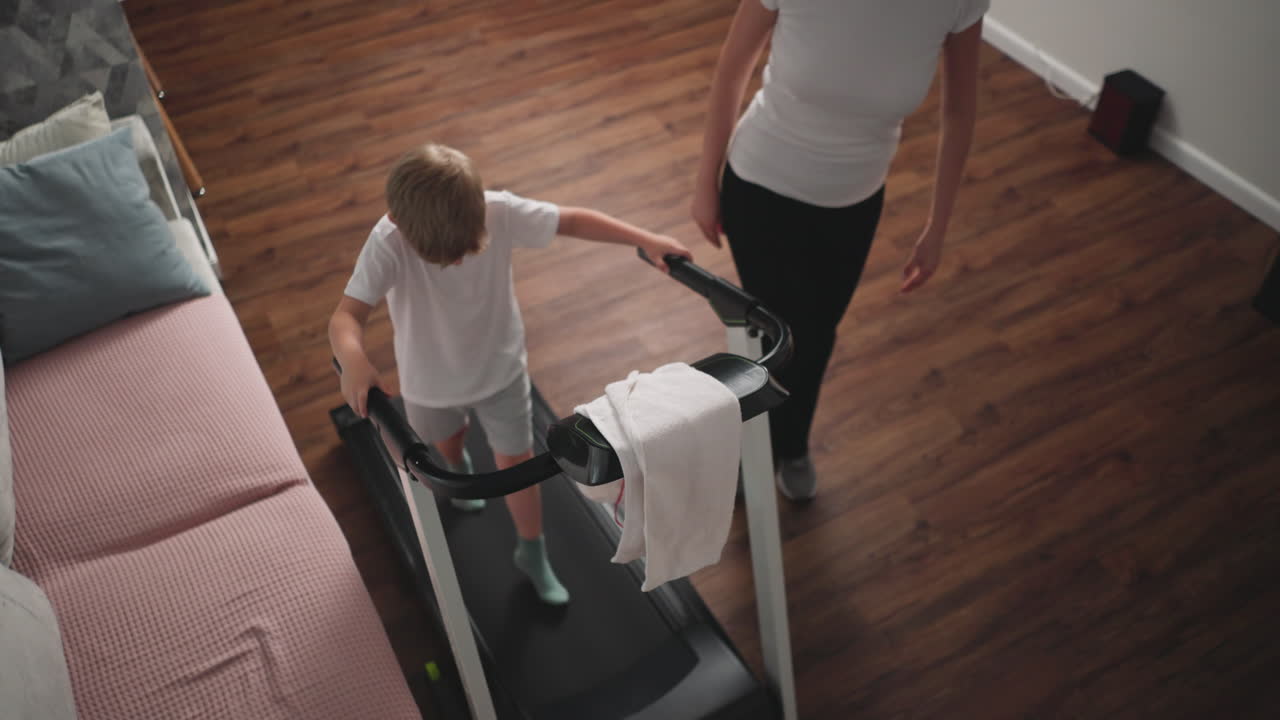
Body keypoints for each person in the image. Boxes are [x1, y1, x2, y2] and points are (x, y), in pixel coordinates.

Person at [330, 143, 691, 605]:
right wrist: (354, 358)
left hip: (501, 370)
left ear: (479, 208)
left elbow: (571, 219)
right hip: (429, 381)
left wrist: (645, 238)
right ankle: (458, 468)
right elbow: (345, 317)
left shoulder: (498, 211)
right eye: (445, 257)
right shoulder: (387, 241)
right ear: (400, 223)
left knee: (516, 465)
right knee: (449, 441)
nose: (458, 262)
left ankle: (532, 551)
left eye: (465, 249)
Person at [691, 0, 988, 501]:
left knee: (817, 335)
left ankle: (791, 442)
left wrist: (938, 225)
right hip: (763, 187)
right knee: (779, 335)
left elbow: (960, 109)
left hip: (855, 202)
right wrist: (705, 181)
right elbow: (732, 66)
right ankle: (751, 450)